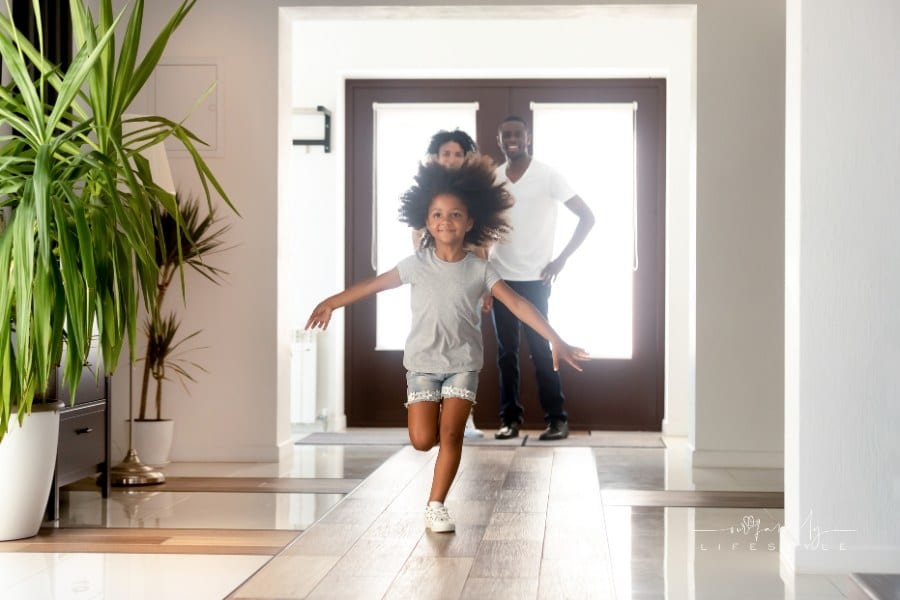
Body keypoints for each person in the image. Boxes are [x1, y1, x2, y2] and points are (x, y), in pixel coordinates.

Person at [306, 158, 589, 533]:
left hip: (463, 363)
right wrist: (332, 302)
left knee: (451, 434)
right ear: (426, 221)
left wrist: (557, 338)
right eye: (437, 214)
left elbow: (519, 303)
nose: (446, 221)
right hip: (422, 365)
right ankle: (434, 434)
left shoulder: (480, 269)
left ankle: (436, 504)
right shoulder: (415, 265)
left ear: (470, 222)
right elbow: (372, 285)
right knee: (423, 440)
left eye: (455, 215)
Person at [490, 115, 596, 441]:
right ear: (499, 140)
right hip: (500, 278)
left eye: (517, 134)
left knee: (541, 349)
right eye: (506, 134)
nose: (512, 139)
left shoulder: (548, 175)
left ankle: (557, 420)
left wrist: (561, 260)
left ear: (528, 138)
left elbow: (587, 217)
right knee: (506, 354)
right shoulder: (493, 178)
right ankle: (510, 420)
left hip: (535, 279)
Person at [414, 129, 488, 439]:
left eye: (458, 153)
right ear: (436, 157)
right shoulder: (426, 189)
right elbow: (418, 231)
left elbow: (485, 237)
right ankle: (429, 408)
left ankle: (463, 416)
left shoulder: (476, 190)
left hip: (468, 274)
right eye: (446, 153)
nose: (452, 158)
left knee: (465, 341)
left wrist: (485, 285)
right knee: (432, 338)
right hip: (433, 273)